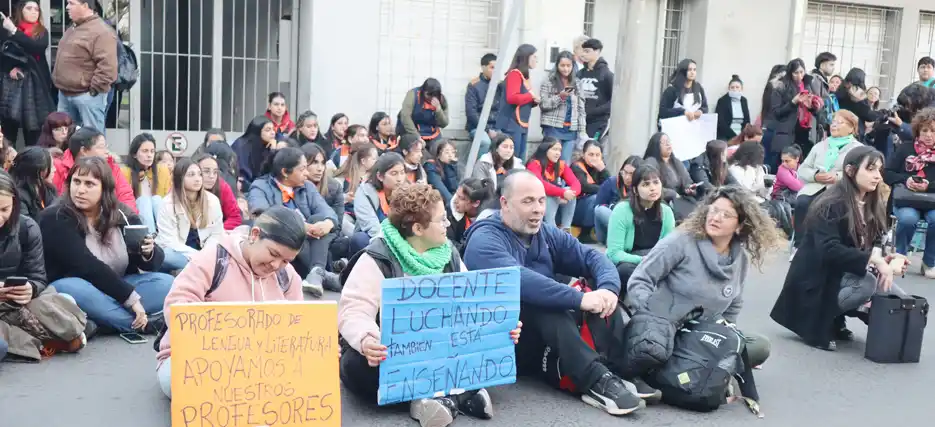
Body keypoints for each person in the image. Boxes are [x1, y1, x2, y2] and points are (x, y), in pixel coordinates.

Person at [462, 171, 648, 416]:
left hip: (543, 337)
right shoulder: (484, 239)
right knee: (546, 303)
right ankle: (595, 379)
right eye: (528, 201)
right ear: (505, 204)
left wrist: (608, 290)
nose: (538, 209)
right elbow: (520, 281)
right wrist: (580, 299)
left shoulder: (544, 232)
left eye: (541, 200)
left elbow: (591, 256)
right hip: (505, 344)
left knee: (596, 287)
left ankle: (613, 369)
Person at [339, 182, 522, 427]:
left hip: (442, 347)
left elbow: (473, 307)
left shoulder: (449, 254)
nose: (448, 224)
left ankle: (441, 396)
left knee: (486, 348)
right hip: (395, 354)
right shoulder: (377, 257)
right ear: (418, 228)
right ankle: (449, 395)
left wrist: (500, 325)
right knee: (354, 367)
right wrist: (367, 339)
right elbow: (354, 309)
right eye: (441, 220)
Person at [155, 206, 308, 399]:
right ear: (254, 234)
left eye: (286, 260)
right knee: (188, 385)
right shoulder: (215, 258)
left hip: (263, 363)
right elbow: (177, 304)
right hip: (198, 358)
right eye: (273, 254)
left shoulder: (287, 276)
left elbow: (300, 325)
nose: (276, 265)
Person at [628, 185, 781, 371]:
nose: (716, 218)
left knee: (759, 346)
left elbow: (733, 306)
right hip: (662, 329)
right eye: (714, 210)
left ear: (740, 226)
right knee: (657, 351)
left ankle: (696, 367)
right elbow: (640, 280)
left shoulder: (740, 258)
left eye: (726, 215)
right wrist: (652, 320)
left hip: (702, 337)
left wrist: (726, 338)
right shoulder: (680, 242)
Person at [771, 146, 907, 351]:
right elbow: (829, 250)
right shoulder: (831, 203)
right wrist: (873, 260)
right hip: (818, 276)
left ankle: (839, 315)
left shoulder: (872, 201)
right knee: (867, 284)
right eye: (870, 169)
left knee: (901, 300)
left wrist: (887, 259)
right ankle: (818, 320)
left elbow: (870, 245)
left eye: (879, 170)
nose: (877, 176)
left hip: (845, 270)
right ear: (851, 171)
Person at [38, 156, 173, 334]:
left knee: (167, 282)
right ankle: (138, 324)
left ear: (104, 189)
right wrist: (131, 299)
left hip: (116, 286)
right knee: (70, 287)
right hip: (82, 288)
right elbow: (85, 265)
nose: (80, 190)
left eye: (89, 184)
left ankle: (100, 319)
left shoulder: (121, 215)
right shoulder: (55, 217)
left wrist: (149, 252)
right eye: (76, 182)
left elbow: (150, 264)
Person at [247, 147, 340, 295]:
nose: (307, 173)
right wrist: (302, 227)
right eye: (302, 169)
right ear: (285, 172)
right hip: (282, 242)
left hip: (312, 241)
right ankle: (321, 273)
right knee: (300, 232)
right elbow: (262, 215)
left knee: (319, 219)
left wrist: (327, 224)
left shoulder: (307, 187)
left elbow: (328, 211)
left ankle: (317, 272)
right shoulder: (260, 186)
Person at [791, 110, 863, 250]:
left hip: (841, 189)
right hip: (816, 187)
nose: (834, 125)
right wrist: (815, 175)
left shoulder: (858, 149)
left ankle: (828, 246)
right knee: (802, 203)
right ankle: (799, 246)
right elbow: (802, 170)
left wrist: (837, 176)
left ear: (851, 128)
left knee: (832, 207)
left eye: (840, 122)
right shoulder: (820, 145)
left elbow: (858, 172)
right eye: (833, 122)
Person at [51, 0, 116, 133]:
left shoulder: (101, 31)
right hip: (65, 94)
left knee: (91, 140)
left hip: (86, 96)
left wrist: (92, 92)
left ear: (85, 6)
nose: (67, 7)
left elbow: (107, 68)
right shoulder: (74, 28)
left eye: (71, 3)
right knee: (64, 140)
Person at [885, 107, 935, 277]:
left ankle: (929, 262)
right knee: (907, 219)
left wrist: (928, 185)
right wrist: (905, 180)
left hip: (932, 200)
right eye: (925, 130)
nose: (929, 135)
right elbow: (887, 173)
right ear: (918, 131)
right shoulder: (905, 148)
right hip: (906, 198)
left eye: (933, 131)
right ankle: (900, 257)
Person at [606, 163, 675, 286]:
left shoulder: (666, 212)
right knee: (626, 271)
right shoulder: (622, 210)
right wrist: (642, 260)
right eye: (646, 184)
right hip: (629, 262)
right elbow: (614, 253)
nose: (652, 188)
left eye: (656, 182)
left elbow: (669, 250)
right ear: (635, 190)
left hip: (654, 262)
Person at [0, 1, 55, 146]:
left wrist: (14, 32)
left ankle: (33, 161)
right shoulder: (7, 29)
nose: (33, 12)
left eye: (36, 9)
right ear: (21, 11)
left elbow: (35, 47)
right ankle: (7, 162)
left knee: (33, 126)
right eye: (29, 8)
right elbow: (3, 54)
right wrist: (9, 68)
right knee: (9, 124)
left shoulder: (41, 31)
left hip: (36, 84)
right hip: (12, 85)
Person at [155, 158, 224, 272]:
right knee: (166, 255)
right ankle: (200, 269)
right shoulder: (167, 203)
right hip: (178, 254)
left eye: (199, 174)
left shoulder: (212, 201)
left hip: (205, 253)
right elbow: (170, 242)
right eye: (191, 175)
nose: (197, 179)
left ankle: (197, 270)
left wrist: (206, 253)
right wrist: (199, 257)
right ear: (180, 179)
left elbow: (217, 234)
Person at [51, 126, 137, 212]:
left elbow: (126, 197)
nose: (106, 151)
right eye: (101, 147)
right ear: (84, 151)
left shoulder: (111, 167)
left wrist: (128, 219)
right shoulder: (56, 168)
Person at [763, 58, 822, 170]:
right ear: (790, 73)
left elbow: (816, 111)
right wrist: (793, 102)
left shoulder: (809, 85)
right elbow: (776, 112)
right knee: (782, 167)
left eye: (801, 72)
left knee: (800, 167)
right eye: (796, 73)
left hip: (805, 132)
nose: (799, 76)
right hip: (785, 133)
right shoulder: (780, 87)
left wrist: (812, 106)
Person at [350, 153, 407, 255]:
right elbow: (371, 225)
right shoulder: (365, 192)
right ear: (380, 176)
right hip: (376, 238)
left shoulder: (408, 190)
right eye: (394, 173)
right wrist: (394, 246)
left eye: (402, 173)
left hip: (402, 240)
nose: (399, 178)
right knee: (359, 239)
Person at [541, 51, 587, 162]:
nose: (565, 69)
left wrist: (582, 131)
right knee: (552, 161)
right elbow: (543, 104)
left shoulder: (576, 83)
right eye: (562, 65)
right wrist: (560, 97)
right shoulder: (549, 82)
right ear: (557, 65)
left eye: (568, 66)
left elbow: (581, 109)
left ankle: (562, 180)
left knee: (565, 163)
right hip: (553, 128)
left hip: (571, 129)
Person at [496, 44, 539, 160]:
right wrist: (530, 96)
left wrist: (534, 100)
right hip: (512, 124)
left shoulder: (525, 76)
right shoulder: (514, 74)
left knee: (520, 159)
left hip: (522, 124)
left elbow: (525, 99)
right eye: (534, 57)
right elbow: (512, 98)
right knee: (512, 160)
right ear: (526, 57)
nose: (536, 60)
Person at [527, 137, 581, 231]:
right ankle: (552, 230)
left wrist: (568, 194)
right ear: (545, 149)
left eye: (559, 150)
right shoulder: (534, 164)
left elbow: (576, 183)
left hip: (556, 203)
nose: (558, 153)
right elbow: (540, 185)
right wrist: (562, 193)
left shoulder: (560, 165)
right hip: (534, 202)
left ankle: (566, 228)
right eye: (554, 149)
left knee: (570, 190)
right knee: (549, 194)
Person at [121, 133, 171, 233]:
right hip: (135, 219)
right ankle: (150, 237)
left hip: (162, 218)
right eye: (145, 151)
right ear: (134, 154)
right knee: (143, 201)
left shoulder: (162, 170)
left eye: (152, 151)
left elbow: (167, 199)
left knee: (156, 199)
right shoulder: (124, 172)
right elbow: (124, 203)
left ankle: (165, 236)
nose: (149, 155)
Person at [642, 132, 697, 220]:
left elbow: (687, 181)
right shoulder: (651, 162)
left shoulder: (676, 162)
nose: (668, 144)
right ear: (656, 145)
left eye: (669, 141)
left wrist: (689, 189)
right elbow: (651, 186)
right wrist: (672, 194)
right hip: (661, 202)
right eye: (663, 142)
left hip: (679, 201)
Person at [594, 156, 641, 244]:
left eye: (631, 174)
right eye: (625, 172)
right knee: (599, 210)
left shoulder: (642, 186)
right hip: (610, 229)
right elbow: (598, 204)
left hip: (633, 228)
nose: (627, 177)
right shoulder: (611, 183)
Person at [192, 152, 242, 231]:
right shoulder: (181, 188)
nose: (211, 176)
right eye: (206, 171)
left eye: (215, 172)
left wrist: (216, 231)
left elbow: (235, 216)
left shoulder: (222, 186)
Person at [397, 78, 449, 151]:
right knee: (417, 150)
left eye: (434, 95)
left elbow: (444, 123)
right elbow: (405, 117)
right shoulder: (412, 95)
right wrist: (417, 137)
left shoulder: (441, 100)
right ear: (423, 91)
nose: (431, 97)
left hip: (432, 133)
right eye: (429, 94)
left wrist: (438, 109)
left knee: (440, 150)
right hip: (412, 131)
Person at [335, 142, 378, 228]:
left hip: (369, 215)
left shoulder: (376, 178)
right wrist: (345, 197)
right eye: (374, 159)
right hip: (349, 215)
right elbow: (331, 199)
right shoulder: (342, 179)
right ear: (363, 161)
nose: (377, 161)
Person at [570, 140, 608, 238]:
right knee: (595, 198)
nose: (594, 158)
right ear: (583, 154)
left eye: (597, 155)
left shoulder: (600, 167)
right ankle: (585, 233)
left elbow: (612, 186)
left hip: (592, 206)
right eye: (591, 154)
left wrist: (604, 171)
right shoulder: (576, 166)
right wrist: (603, 190)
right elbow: (584, 187)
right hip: (576, 207)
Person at [577, 39, 613, 139]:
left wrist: (595, 111)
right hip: (579, 121)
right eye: (583, 51)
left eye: (587, 51)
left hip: (598, 122)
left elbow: (614, 101)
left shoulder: (606, 74)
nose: (583, 54)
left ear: (597, 51)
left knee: (591, 148)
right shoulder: (580, 74)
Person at [465, 53, 499, 159]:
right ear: (483, 67)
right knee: (485, 142)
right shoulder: (473, 85)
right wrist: (488, 130)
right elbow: (471, 113)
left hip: (497, 127)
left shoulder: (500, 85)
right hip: (478, 127)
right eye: (492, 67)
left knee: (508, 142)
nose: (495, 71)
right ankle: (479, 171)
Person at [447, 177, 494, 253]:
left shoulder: (487, 219)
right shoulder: (450, 214)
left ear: (476, 203)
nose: (455, 200)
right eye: (456, 194)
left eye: (461, 198)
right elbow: (450, 244)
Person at [231, 115, 277, 191]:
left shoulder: (270, 145)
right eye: (268, 130)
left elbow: (272, 173)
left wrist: (273, 151)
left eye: (273, 129)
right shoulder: (241, 146)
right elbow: (242, 176)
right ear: (257, 131)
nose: (272, 133)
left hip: (261, 187)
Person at [9, 146, 56, 219]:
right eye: (52, 166)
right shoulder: (18, 197)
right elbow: (27, 226)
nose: (55, 170)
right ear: (39, 172)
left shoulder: (49, 189)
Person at [835, 68, 881, 141]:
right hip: (853, 130)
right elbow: (867, 115)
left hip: (839, 126)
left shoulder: (841, 89)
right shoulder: (856, 92)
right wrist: (881, 114)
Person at [658, 59, 708, 125]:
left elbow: (705, 107)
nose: (692, 72)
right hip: (676, 128)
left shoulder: (698, 88)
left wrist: (701, 111)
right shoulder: (672, 90)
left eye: (694, 70)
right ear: (683, 71)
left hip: (694, 128)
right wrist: (682, 112)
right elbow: (663, 112)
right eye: (689, 70)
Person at [809, 52, 837, 141]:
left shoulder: (822, 79)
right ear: (822, 65)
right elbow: (817, 102)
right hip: (815, 123)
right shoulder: (815, 79)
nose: (833, 68)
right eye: (831, 64)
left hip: (820, 123)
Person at [424, 140, 460, 208]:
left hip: (449, 201)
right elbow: (440, 189)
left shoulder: (450, 165)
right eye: (447, 152)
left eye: (453, 152)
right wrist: (453, 203)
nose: (450, 155)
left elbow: (453, 188)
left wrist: (452, 165)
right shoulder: (430, 166)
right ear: (438, 154)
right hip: (435, 202)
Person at [715, 75, 751, 141]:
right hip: (726, 135)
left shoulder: (744, 100)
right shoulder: (722, 101)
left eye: (737, 87)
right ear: (729, 88)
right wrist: (734, 136)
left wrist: (742, 134)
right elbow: (720, 122)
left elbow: (747, 120)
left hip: (741, 134)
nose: (735, 89)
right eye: (732, 87)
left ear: (741, 89)